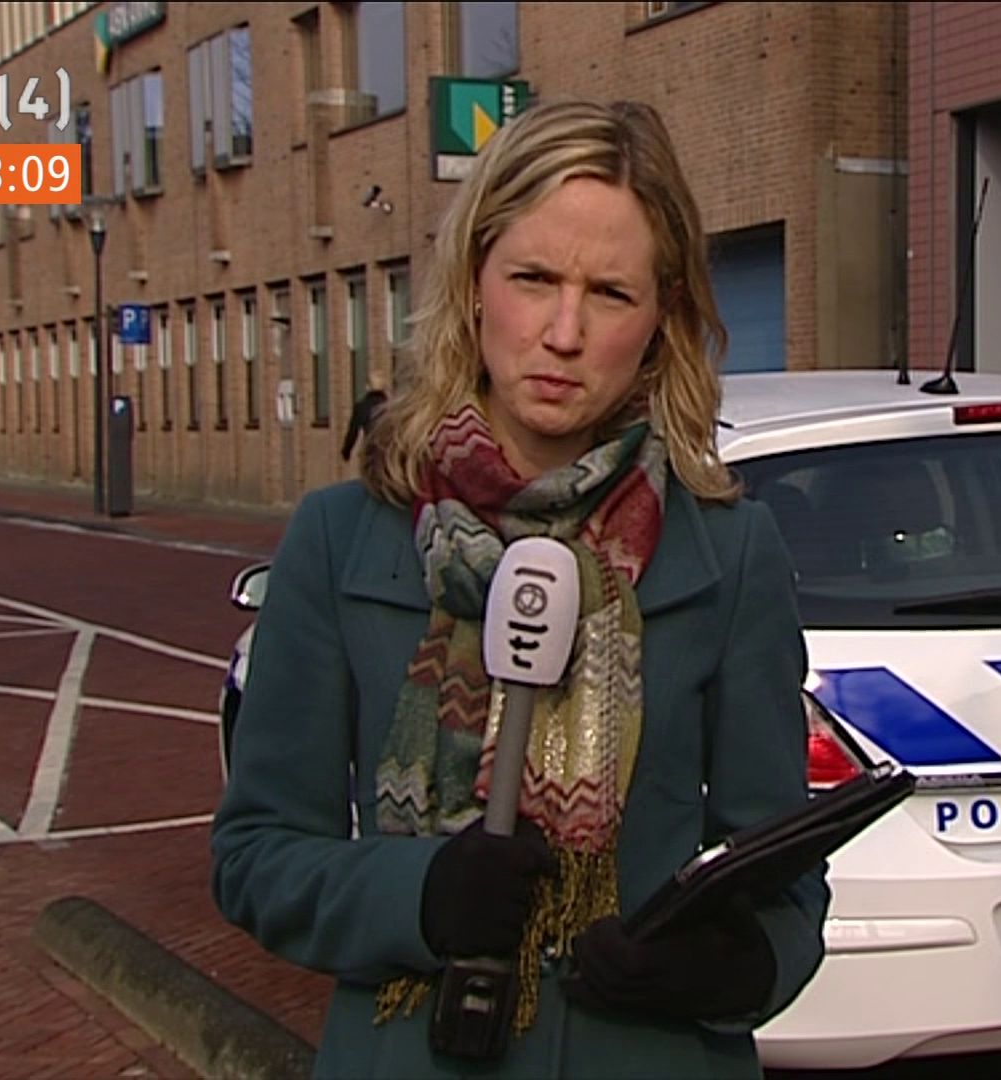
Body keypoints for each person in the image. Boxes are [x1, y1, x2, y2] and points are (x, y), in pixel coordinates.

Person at [210, 98, 829, 1078]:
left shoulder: (730, 551)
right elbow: (257, 857)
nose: (564, 332)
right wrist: (420, 896)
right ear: (473, 283)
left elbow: (783, 881)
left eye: (610, 293)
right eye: (534, 279)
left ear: (660, 319)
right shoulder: (340, 539)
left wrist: (734, 963)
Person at [341, 372, 389, 463]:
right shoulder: (391, 406)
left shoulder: (362, 407)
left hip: (371, 450)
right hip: (388, 451)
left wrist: (346, 451)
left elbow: (353, 432)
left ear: (367, 387)